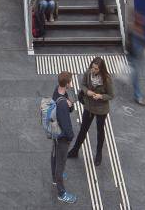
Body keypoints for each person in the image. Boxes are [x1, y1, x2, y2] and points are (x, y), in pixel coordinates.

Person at [67, 56, 115, 167]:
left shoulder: (106, 79)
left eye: (96, 69)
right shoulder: (88, 73)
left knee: (100, 131)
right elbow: (82, 85)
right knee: (83, 129)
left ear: (101, 69)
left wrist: (101, 96)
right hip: (89, 106)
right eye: (93, 68)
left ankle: (98, 154)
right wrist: (87, 91)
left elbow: (111, 95)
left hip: (101, 109)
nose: (93, 70)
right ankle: (75, 150)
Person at [50, 71, 78, 204]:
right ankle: (61, 193)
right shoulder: (62, 104)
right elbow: (66, 125)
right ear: (67, 84)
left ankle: (55, 178)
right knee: (61, 163)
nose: (71, 84)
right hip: (62, 137)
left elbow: (69, 107)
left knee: (54, 155)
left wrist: (70, 105)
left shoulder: (57, 92)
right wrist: (70, 136)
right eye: (70, 82)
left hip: (55, 133)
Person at [125, 11, 145, 106]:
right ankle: (138, 96)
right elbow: (132, 45)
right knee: (136, 76)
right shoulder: (134, 30)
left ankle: (137, 94)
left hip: (136, 55)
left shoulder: (137, 29)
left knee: (135, 73)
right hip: (133, 56)